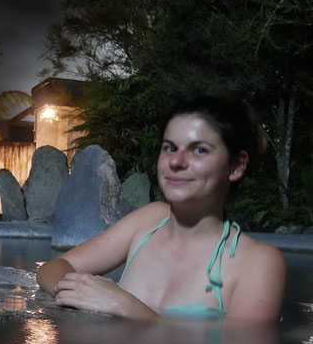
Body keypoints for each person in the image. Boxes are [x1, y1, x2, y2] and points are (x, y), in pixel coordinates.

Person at [36, 96, 285, 322]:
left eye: (199, 150)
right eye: (170, 148)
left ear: (236, 166)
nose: (176, 161)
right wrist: (78, 292)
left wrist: (127, 306)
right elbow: (53, 268)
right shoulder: (148, 221)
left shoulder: (257, 262)